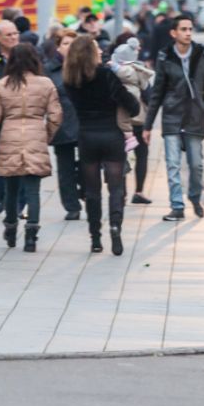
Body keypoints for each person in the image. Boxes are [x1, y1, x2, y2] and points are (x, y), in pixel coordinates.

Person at [65, 34, 140, 255]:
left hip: (86, 136)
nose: (100, 51)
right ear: (90, 53)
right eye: (96, 48)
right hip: (112, 136)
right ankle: (115, 226)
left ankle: (95, 236)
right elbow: (132, 106)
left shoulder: (71, 79)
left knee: (92, 190)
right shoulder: (107, 76)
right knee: (116, 187)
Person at [143, 13, 204, 221]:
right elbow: (157, 93)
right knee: (173, 164)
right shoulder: (165, 56)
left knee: (196, 165)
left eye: (190, 29)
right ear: (173, 33)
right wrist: (148, 126)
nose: (188, 33)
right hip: (172, 117)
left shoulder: (201, 53)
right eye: (183, 30)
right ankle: (177, 205)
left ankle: (194, 197)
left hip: (195, 117)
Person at [0, 44, 62, 252]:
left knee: (11, 189)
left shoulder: (1, 85)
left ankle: (11, 229)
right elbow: (56, 116)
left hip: (9, 137)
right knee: (33, 191)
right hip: (35, 134)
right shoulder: (45, 83)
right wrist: (46, 135)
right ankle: (31, 236)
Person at [45, 29, 83, 220]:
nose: (70, 48)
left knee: (87, 164)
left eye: (73, 44)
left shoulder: (85, 66)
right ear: (58, 46)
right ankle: (71, 206)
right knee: (65, 167)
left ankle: (84, 188)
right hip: (61, 124)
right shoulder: (49, 70)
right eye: (66, 43)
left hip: (85, 123)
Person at [110, 41, 154, 205]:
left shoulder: (112, 74)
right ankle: (139, 192)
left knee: (120, 158)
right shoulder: (140, 72)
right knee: (142, 156)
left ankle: (122, 193)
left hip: (119, 122)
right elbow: (149, 97)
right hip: (139, 121)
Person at [0, 19, 20, 215]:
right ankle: (1, 192)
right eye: (9, 35)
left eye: (15, 33)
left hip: (19, 118)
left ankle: (16, 201)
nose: (13, 37)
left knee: (19, 161)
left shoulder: (25, 57)